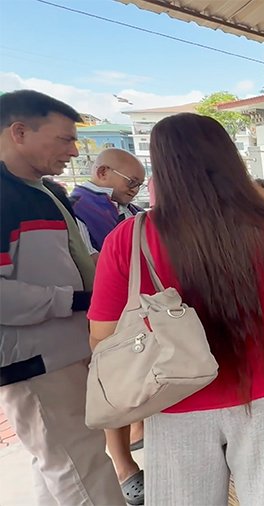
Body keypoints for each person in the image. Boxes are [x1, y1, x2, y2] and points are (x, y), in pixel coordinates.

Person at [88, 113, 264, 504]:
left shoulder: (129, 239)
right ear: (229, 161)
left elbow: (102, 335)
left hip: (173, 396)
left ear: (162, 166)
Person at [0, 90, 123, 505]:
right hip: (35, 359)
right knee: (82, 468)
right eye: (64, 139)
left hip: (64, 347)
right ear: (19, 132)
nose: (75, 151)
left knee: (59, 461)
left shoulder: (44, 191)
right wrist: (71, 301)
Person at [69, 148, 147, 504]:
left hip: (139, 310)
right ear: (102, 172)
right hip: (107, 310)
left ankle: (138, 428)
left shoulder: (126, 210)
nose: (136, 189)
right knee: (111, 386)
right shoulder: (79, 208)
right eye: (132, 182)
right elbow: (91, 263)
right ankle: (124, 465)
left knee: (141, 379)